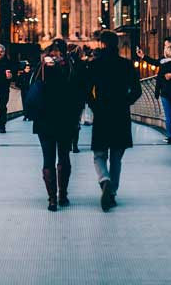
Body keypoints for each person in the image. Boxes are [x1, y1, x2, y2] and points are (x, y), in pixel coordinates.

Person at [86, 30, 142, 211]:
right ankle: (113, 192)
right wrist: (125, 102)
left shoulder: (95, 65)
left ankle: (104, 180)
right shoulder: (126, 65)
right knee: (116, 157)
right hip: (120, 114)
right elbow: (137, 90)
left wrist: (95, 106)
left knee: (99, 154)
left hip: (102, 114)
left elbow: (86, 90)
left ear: (102, 44)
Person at [32, 40, 80, 211]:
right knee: (64, 156)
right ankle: (63, 195)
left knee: (48, 159)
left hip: (44, 120)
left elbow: (31, 89)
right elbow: (78, 94)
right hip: (65, 120)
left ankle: (52, 199)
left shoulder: (41, 67)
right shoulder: (70, 67)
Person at [136, 37, 171, 143]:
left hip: (165, 92)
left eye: (166, 45)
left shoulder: (163, 62)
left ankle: (170, 136)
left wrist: (143, 57)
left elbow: (155, 64)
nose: (164, 47)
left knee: (168, 116)